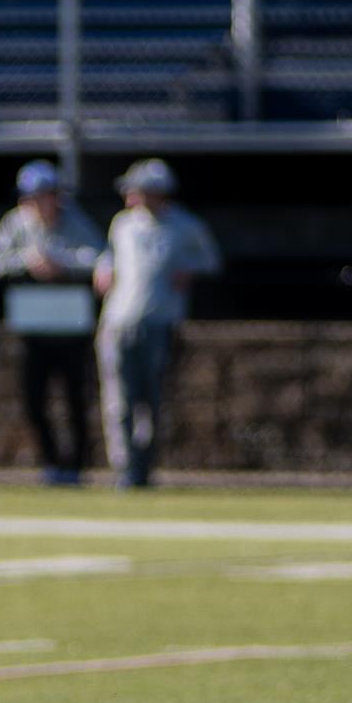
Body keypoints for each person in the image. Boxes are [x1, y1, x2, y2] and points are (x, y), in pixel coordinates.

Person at [93, 158, 221, 489]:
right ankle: (122, 468)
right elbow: (109, 257)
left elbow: (210, 260)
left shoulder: (184, 225)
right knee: (117, 400)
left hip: (159, 323)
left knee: (150, 400)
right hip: (117, 321)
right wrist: (103, 270)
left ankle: (143, 468)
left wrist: (189, 270)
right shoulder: (122, 224)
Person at [0, 161, 103, 484]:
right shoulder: (15, 222)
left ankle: (76, 465)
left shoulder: (74, 219)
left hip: (70, 324)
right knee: (34, 398)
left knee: (76, 398)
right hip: (32, 325)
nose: (35, 203)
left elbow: (98, 256)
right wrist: (27, 262)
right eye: (30, 197)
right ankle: (51, 461)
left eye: (42, 196)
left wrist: (61, 264)